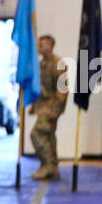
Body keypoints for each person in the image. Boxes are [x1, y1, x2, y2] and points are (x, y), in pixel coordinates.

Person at [28, 33, 66, 180]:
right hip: (42, 106)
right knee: (49, 137)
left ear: (50, 46)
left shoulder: (58, 63)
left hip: (51, 107)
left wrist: (56, 109)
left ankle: (47, 165)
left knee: (37, 134)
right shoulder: (41, 64)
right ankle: (53, 168)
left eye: (42, 45)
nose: (39, 47)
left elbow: (62, 89)